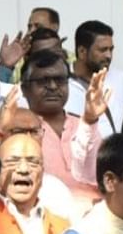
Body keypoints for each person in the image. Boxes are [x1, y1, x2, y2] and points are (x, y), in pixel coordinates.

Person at [20, 49, 110, 215]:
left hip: (95, 219)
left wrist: (90, 121)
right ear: (24, 88)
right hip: (45, 221)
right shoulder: (18, 132)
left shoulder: (87, 125)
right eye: (43, 81)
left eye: (60, 80)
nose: (53, 87)